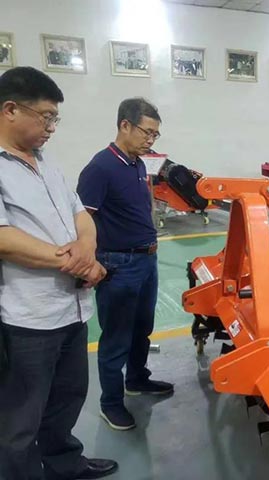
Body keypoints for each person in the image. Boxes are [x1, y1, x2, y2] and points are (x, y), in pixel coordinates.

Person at [0, 67, 117, 479]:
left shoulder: (46, 163)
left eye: (55, 119)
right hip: (28, 318)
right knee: (20, 417)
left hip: (72, 309)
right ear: (10, 109)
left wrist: (87, 247)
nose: (52, 127)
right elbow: (5, 239)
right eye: (46, 117)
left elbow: (80, 212)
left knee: (67, 398)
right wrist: (79, 262)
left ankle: (64, 463)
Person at [77, 98, 173, 432]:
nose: (151, 140)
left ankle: (136, 379)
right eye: (147, 132)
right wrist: (91, 261)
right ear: (124, 125)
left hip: (146, 260)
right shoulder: (100, 168)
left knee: (141, 328)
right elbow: (82, 220)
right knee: (116, 337)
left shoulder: (137, 165)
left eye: (155, 134)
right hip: (118, 264)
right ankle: (111, 403)